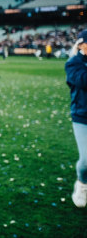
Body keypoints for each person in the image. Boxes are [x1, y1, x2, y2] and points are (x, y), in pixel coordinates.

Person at [65, 29, 87, 208]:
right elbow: (83, 81)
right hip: (82, 117)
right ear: (82, 45)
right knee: (86, 159)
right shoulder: (73, 63)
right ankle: (82, 183)